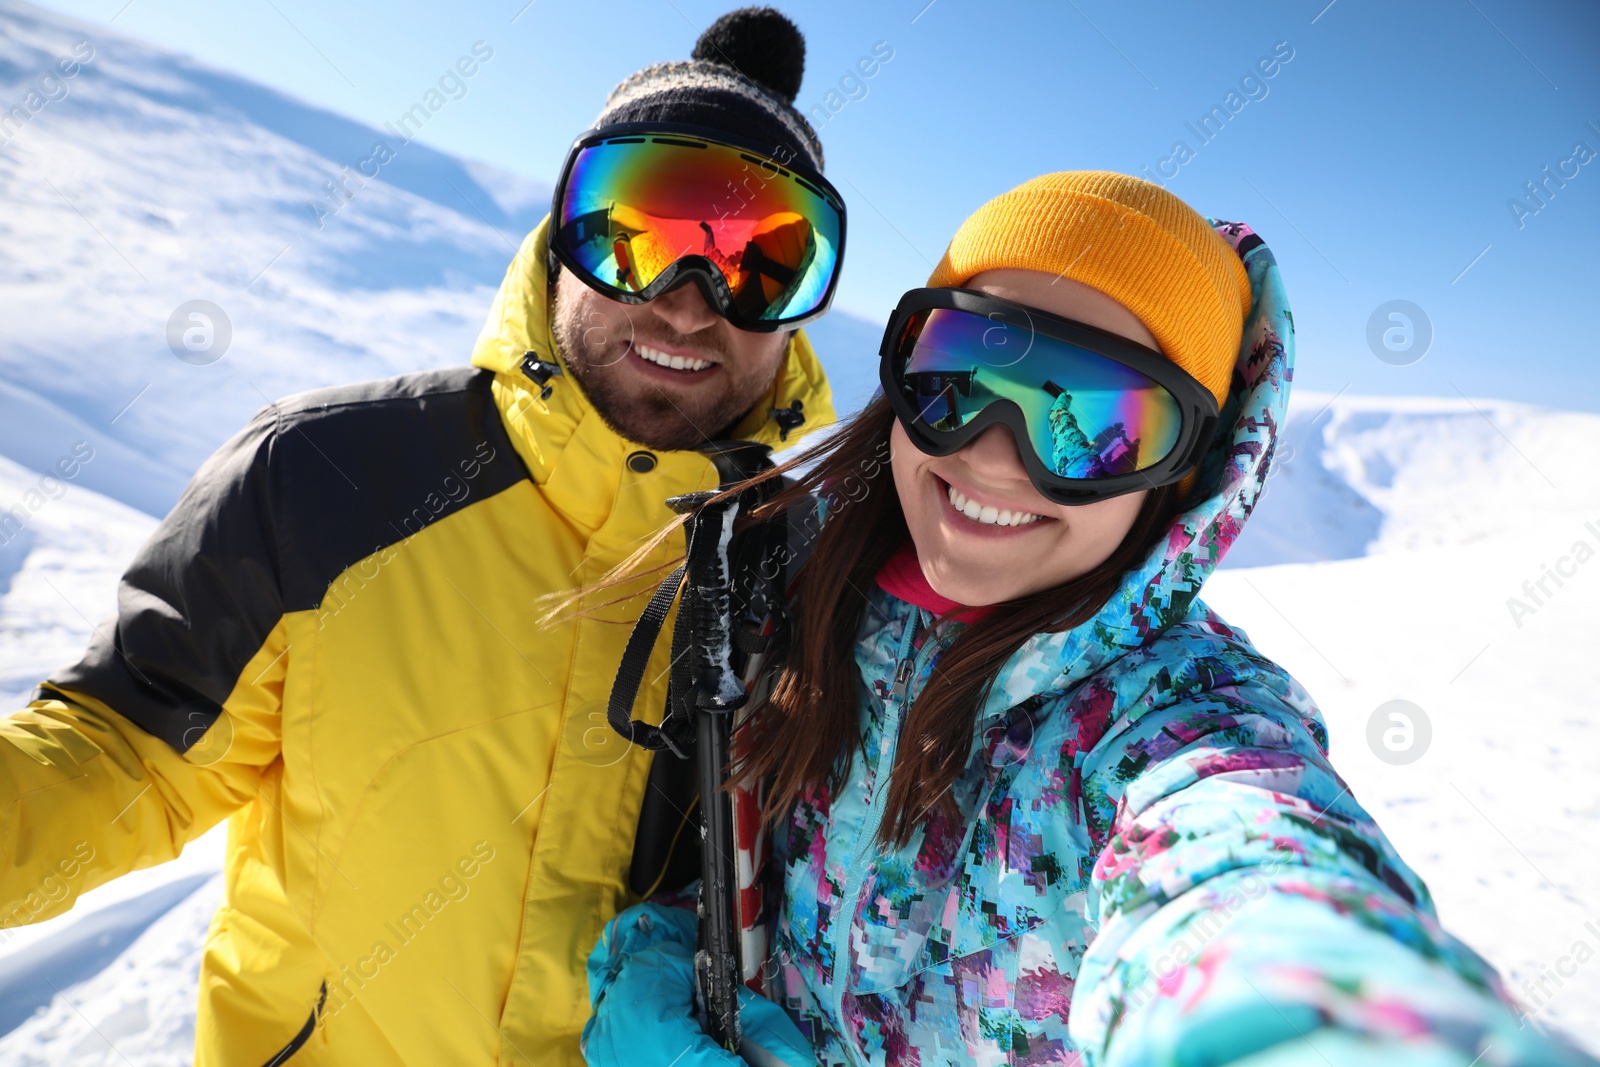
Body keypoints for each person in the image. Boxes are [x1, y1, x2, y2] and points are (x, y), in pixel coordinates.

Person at [582, 172, 1599, 1065]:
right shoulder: (792, 597)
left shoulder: (1166, 719)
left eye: (1096, 421)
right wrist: (667, 951)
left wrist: (1312, 1019)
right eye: (965, 372)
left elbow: (1240, 869)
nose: (993, 451)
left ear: (1183, 475)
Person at [0, 8, 845, 1066]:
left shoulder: (816, 578)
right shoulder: (330, 477)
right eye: (635, 235)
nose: (687, 305)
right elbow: (128, 748)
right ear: (560, 241)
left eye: (759, 263)